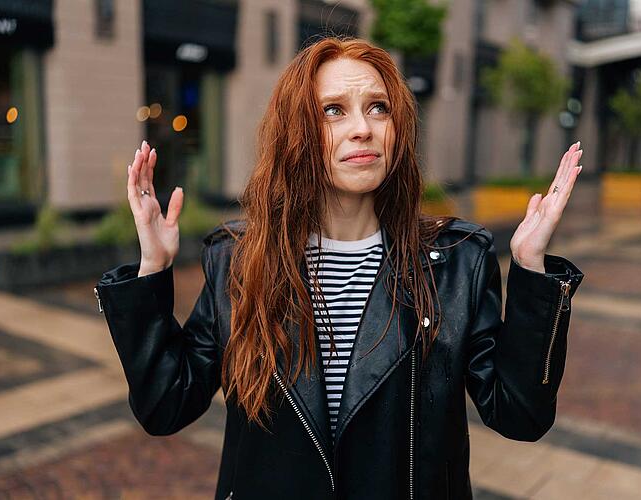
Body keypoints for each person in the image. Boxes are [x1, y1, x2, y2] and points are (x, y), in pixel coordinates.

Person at [94, 37, 584, 500]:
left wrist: (530, 269)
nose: (362, 128)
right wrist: (152, 270)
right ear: (297, 135)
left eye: (379, 107)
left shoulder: (456, 263)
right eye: (334, 111)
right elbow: (166, 405)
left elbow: (521, 415)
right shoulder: (241, 261)